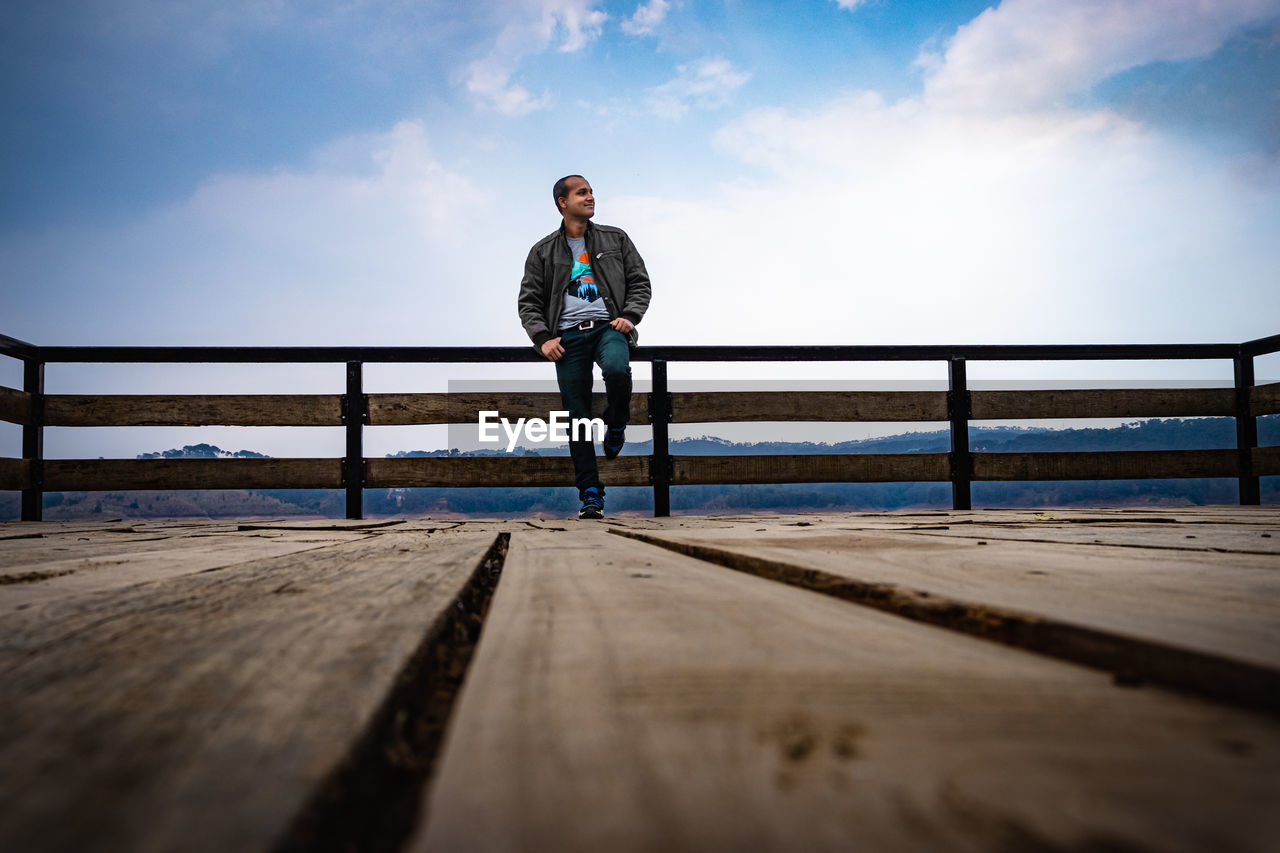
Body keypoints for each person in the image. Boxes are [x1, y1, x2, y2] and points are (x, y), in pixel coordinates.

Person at [518, 175, 652, 519]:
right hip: (567, 338)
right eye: (582, 193)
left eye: (591, 191)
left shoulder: (615, 238)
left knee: (618, 370)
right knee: (577, 416)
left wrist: (629, 316)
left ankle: (617, 422)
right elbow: (528, 302)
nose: (591, 197)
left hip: (609, 327)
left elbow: (640, 282)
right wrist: (542, 338)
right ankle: (590, 494)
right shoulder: (542, 251)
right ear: (563, 202)